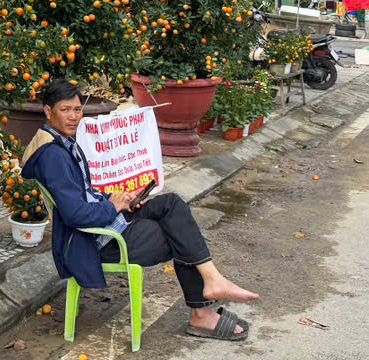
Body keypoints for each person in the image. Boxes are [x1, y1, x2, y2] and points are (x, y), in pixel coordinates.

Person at [21, 80, 259, 342]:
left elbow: (83, 193)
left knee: (171, 205)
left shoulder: (64, 143)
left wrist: (118, 199)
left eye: (77, 110)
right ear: (47, 111)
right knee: (177, 232)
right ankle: (202, 311)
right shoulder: (52, 155)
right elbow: (75, 214)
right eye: (65, 110)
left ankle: (210, 285)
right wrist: (112, 206)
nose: (74, 117)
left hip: (106, 222)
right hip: (94, 241)